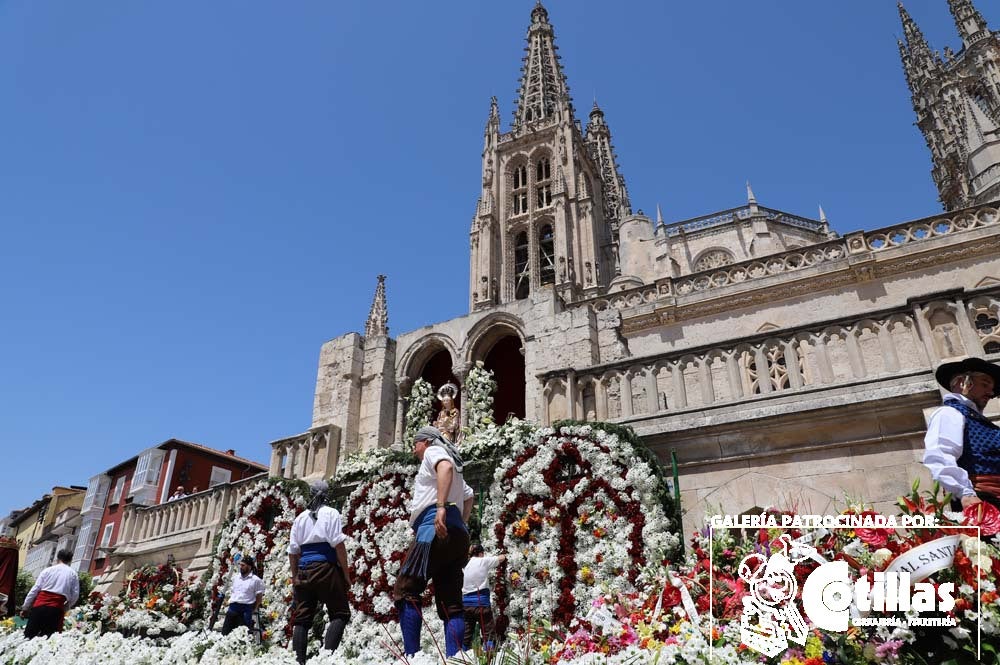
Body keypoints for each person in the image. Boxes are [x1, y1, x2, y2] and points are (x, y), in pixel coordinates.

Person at [393, 425, 475, 657]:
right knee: (451, 603)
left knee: (405, 589)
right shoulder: (454, 465)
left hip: (434, 529)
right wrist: (461, 522)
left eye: (415, 443)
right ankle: (457, 658)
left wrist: (440, 508)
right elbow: (468, 496)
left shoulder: (434, 453)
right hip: (457, 534)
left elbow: (445, 468)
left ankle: (412, 657)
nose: (413, 449)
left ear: (426, 442)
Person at [288, 480, 351, 664]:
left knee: (302, 618)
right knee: (340, 613)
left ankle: (298, 661)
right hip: (325, 568)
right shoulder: (331, 513)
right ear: (326, 496)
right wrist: (346, 575)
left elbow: (293, 553)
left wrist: (295, 577)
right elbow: (339, 546)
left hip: (304, 569)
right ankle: (325, 659)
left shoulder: (300, 518)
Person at [923, 357, 1000, 509]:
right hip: (981, 500)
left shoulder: (979, 420)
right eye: (985, 384)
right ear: (962, 383)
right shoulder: (949, 413)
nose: (990, 392)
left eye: (991, 388)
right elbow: (940, 455)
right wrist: (966, 493)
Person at [20, 549, 79, 639]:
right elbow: (75, 595)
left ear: (57, 558)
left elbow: (35, 589)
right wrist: (65, 607)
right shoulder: (73, 574)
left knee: (29, 636)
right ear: (70, 560)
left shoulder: (47, 570)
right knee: (49, 638)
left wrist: (25, 607)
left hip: (39, 607)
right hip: (56, 609)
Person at [462, 544, 505, 651]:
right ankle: (489, 656)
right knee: (488, 633)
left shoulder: (465, 565)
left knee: (467, 634)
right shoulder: (482, 561)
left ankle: (463, 654)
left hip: (466, 605)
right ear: (481, 553)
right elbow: (500, 558)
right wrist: (505, 555)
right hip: (481, 604)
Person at [220, 555, 264, 635]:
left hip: (245, 610)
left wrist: (253, 609)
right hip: (233, 608)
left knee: (243, 635)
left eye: (243, 565)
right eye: (240, 565)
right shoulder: (236, 578)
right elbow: (234, 592)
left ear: (250, 567)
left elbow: (259, 598)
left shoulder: (256, 580)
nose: (241, 567)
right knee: (225, 633)